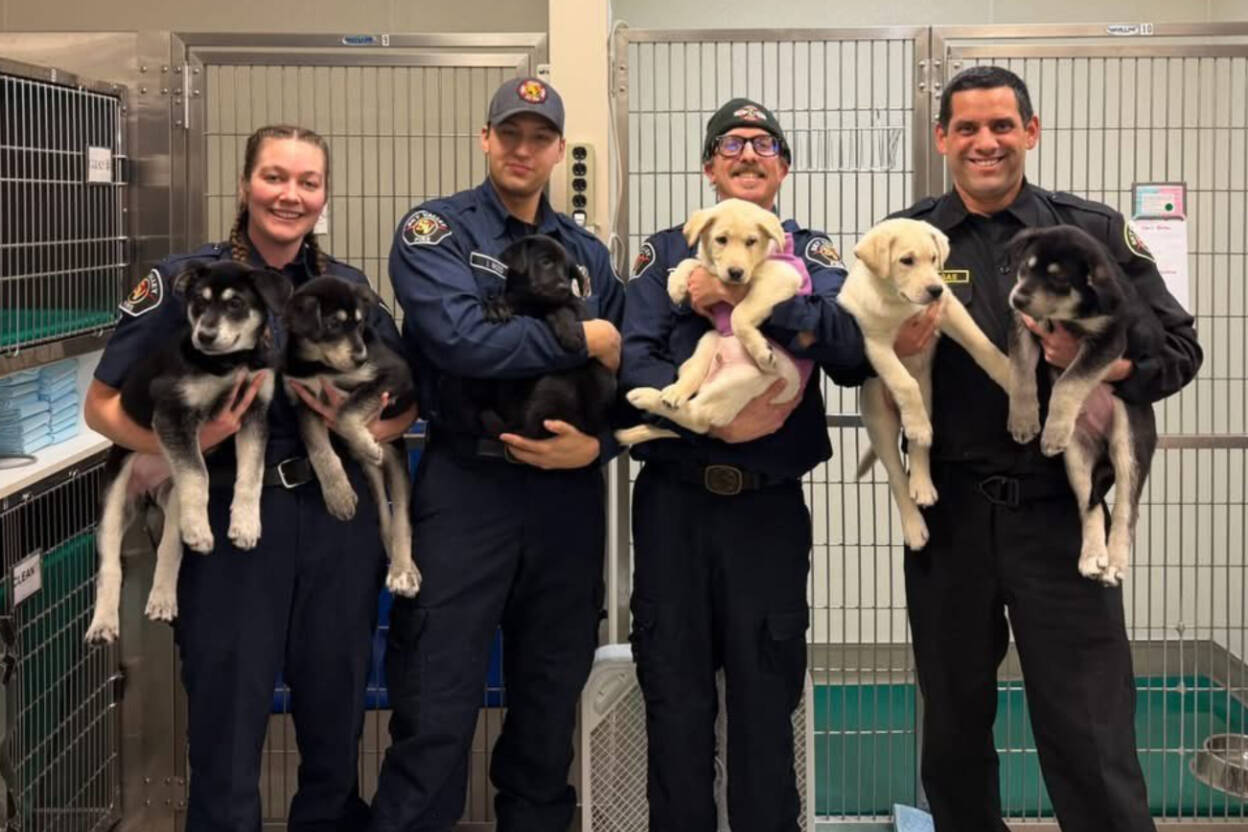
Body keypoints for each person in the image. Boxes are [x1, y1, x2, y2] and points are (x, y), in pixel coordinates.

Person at [891, 66, 1201, 832]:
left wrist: (1112, 365)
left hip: (1061, 520)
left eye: (1001, 125)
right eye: (966, 128)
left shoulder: (1089, 231)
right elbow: (850, 354)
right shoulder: (911, 240)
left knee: (1090, 729)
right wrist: (885, 346)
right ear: (942, 140)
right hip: (952, 518)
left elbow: (1179, 347)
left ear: (1032, 130)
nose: (984, 142)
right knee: (954, 731)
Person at [84, 124, 416, 832]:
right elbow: (101, 405)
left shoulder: (345, 287)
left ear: (324, 196)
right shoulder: (185, 282)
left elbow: (407, 399)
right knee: (228, 730)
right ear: (245, 185)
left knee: (335, 720)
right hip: (237, 530)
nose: (289, 195)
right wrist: (187, 445)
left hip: (336, 525)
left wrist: (363, 429)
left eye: (307, 182)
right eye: (274, 176)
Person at [369, 77, 625, 832]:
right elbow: (458, 342)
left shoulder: (586, 253)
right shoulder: (436, 233)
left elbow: (628, 367)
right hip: (466, 486)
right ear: (485, 139)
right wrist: (580, 338)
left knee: (548, 712)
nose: (522, 149)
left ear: (556, 150)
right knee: (436, 704)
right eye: (508, 134)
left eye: (538, 137)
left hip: (568, 501)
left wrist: (600, 446)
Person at [619, 97, 870, 832]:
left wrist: (737, 292)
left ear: (784, 169)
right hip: (675, 503)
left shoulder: (811, 253)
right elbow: (635, 359)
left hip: (767, 509)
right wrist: (714, 420)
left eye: (765, 145)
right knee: (674, 697)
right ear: (708, 169)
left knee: (766, 702)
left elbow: (851, 350)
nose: (748, 154)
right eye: (731, 145)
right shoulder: (666, 252)